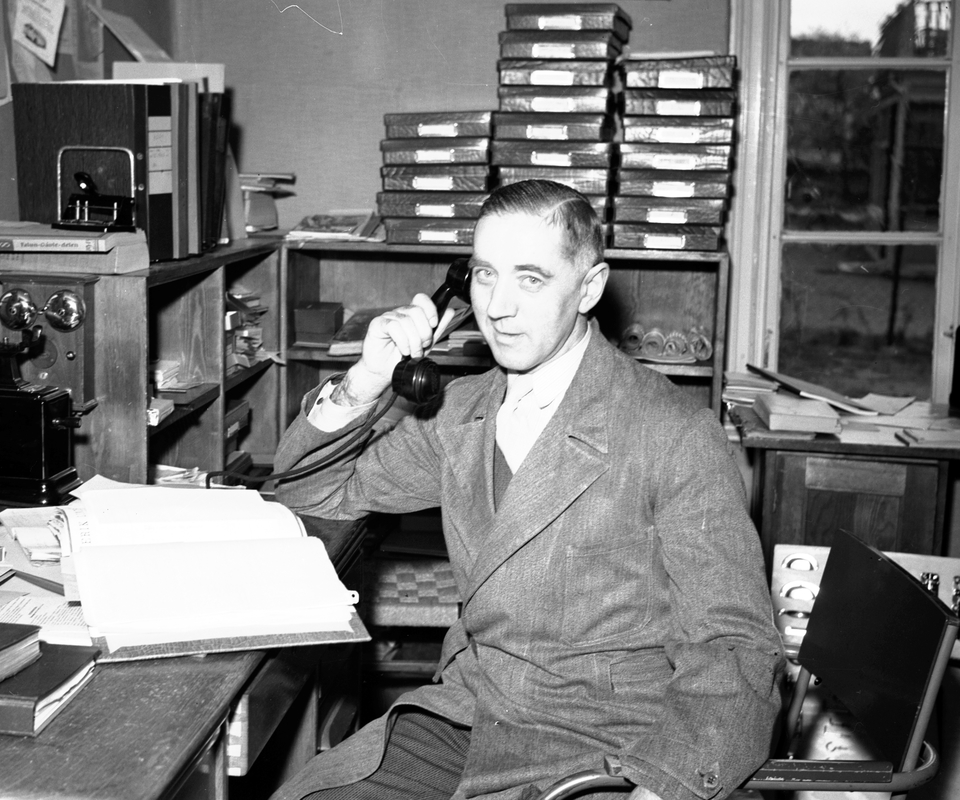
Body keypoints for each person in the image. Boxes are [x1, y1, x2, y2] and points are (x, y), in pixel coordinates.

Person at [270, 180, 784, 800]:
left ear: (589, 288)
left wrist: (661, 787)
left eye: (531, 279)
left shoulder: (672, 431)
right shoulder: (458, 413)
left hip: (609, 747)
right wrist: (365, 379)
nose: (498, 307)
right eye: (485, 275)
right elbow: (308, 496)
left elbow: (735, 648)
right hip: (469, 717)